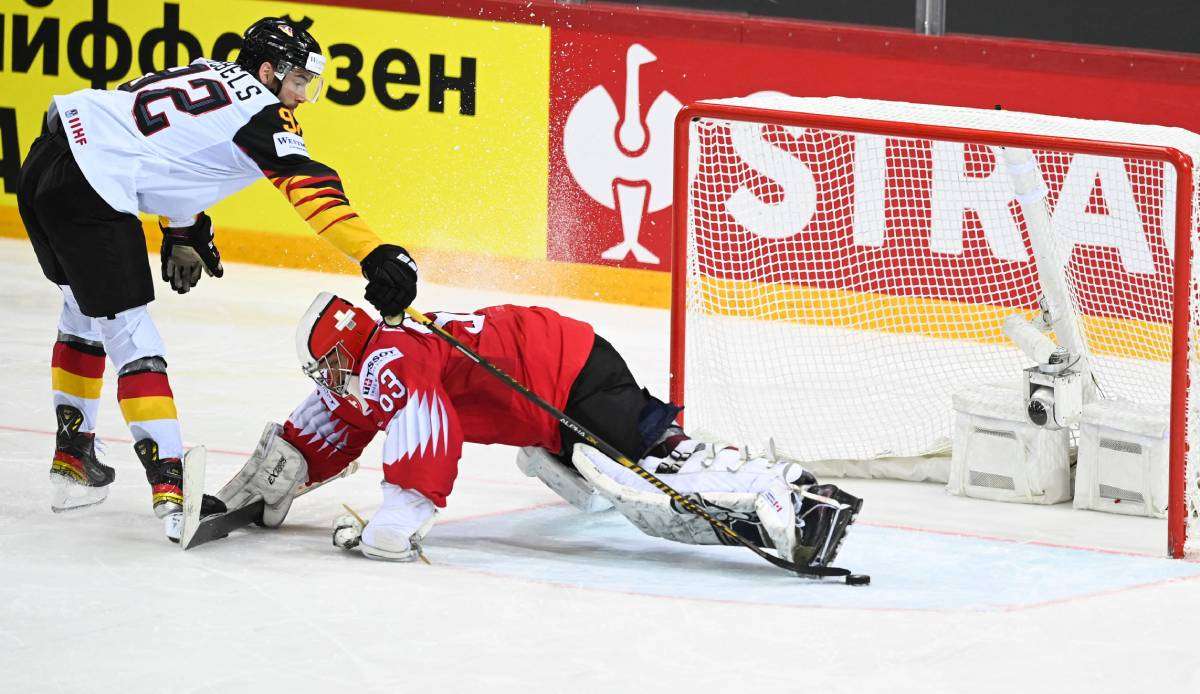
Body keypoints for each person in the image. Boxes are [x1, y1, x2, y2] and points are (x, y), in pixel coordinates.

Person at [17, 17, 419, 535]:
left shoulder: (210, 71)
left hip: (46, 161)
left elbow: (158, 142)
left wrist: (182, 227)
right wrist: (375, 253)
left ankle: (74, 459)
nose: (301, 96)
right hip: (93, 186)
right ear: (270, 71)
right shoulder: (265, 114)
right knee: (131, 331)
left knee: (81, 310)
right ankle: (170, 490)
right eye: (298, 81)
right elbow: (312, 189)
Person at [216, 293, 863, 568]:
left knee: (649, 475)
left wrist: (403, 511)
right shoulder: (380, 356)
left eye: (326, 367)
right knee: (626, 484)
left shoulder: (389, 357)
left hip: (565, 375)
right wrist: (286, 464)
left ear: (341, 350)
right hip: (555, 377)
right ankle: (779, 499)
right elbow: (347, 414)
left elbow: (424, 422)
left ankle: (793, 497)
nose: (326, 381)